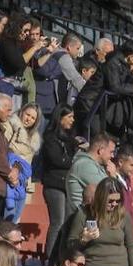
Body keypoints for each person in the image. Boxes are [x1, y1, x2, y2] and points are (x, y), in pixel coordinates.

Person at [68, 177, 133, 266]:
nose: (114, 204)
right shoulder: (84, 214)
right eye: (110, 201)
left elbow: (131, 245)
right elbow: (70, 245)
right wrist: (84, 239)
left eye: (118, 201)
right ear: (101, 198)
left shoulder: (123, 215)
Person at [38, 106, 78, 257]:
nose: (72, 121)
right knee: (58, 221)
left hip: (67, 185)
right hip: (54, 185)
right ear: (60, 118)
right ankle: (50, 259)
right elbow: (56, 159)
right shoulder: (50, 137)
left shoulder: (70, 139)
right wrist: (73, 160)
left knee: (68, 223)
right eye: (69, 117)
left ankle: (62, 256)